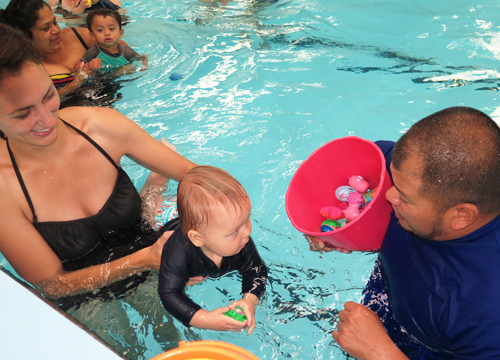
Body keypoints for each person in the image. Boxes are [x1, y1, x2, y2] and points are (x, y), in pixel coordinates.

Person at [0, 23, 202, 300]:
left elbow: (199, 176)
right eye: (23, 114)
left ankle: (154, 185)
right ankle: (154, 184)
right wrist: (144, 260)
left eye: (49, 95)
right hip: (86, 297)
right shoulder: (3, 191)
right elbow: (53, 285)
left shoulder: (100, 126)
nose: (48, 120)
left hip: (147, 249)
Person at [309, 107, 500, 359]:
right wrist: (340, 230)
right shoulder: (413, 172)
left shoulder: (486, 313)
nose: (387, 194)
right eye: (393, 181)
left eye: (404, 198)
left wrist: (381, 353)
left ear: (461, 216)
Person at [156, 166, 268, 335]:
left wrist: (249, 300)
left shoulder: (241, 241)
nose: (247, 232)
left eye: (247, 219)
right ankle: (157, 177)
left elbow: (256, 270)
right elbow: (169, 294)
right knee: (151, 200)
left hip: (202, 219)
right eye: (235, 231)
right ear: (198, 238)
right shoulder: (178, 252)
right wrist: (205, 319)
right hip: (166, 215)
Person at [0, 0, 126, 96]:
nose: (56, 30)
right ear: (26, 36)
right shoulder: (26, 67)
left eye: (55, 22)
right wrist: (76, 82)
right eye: (46, 28)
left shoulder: (75, 36)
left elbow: (120, 45)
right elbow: (38, 104)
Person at [79, 9, 147, 73]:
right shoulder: (93, 53)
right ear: (93, 36)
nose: (107, 33)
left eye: (111, 29)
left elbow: (143, 58)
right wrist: (88, 66)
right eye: (100, 30)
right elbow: (77, 68)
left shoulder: (127, 52)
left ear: (120, 33)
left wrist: (143, 67)